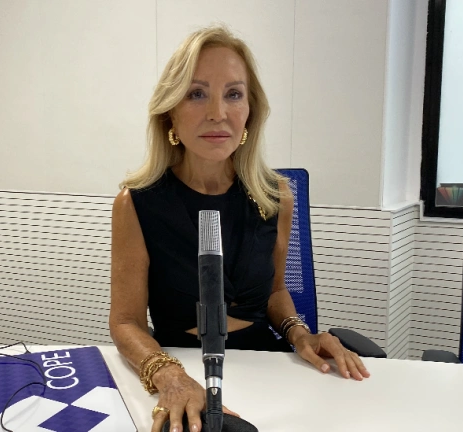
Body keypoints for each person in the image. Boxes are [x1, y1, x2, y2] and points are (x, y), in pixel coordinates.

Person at [109, 25, 370, 432]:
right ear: (170, 111)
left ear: (250, 110)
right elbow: (126, 322)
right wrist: (169, 375)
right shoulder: (136, 203)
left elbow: (275, 292)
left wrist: (299, 334)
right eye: (197, 94)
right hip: (181, 367)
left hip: (266, 366)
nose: (218, 113)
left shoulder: (275, 195)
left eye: (233, 94)